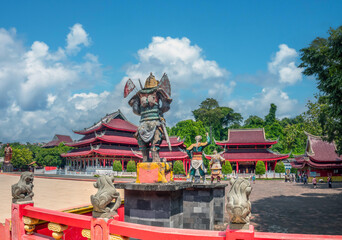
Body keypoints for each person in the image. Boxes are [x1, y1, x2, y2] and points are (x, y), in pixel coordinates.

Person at [128, 73, 172, 162]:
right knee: (155, 143)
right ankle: (155, 158)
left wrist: (143, 112)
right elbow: (165, 106)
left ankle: (145, 159)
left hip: (143, 124)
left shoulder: (139, 94)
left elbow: (135, 110)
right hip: (155, 122)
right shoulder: (158, 91)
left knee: (143, 146)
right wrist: (159, 111)